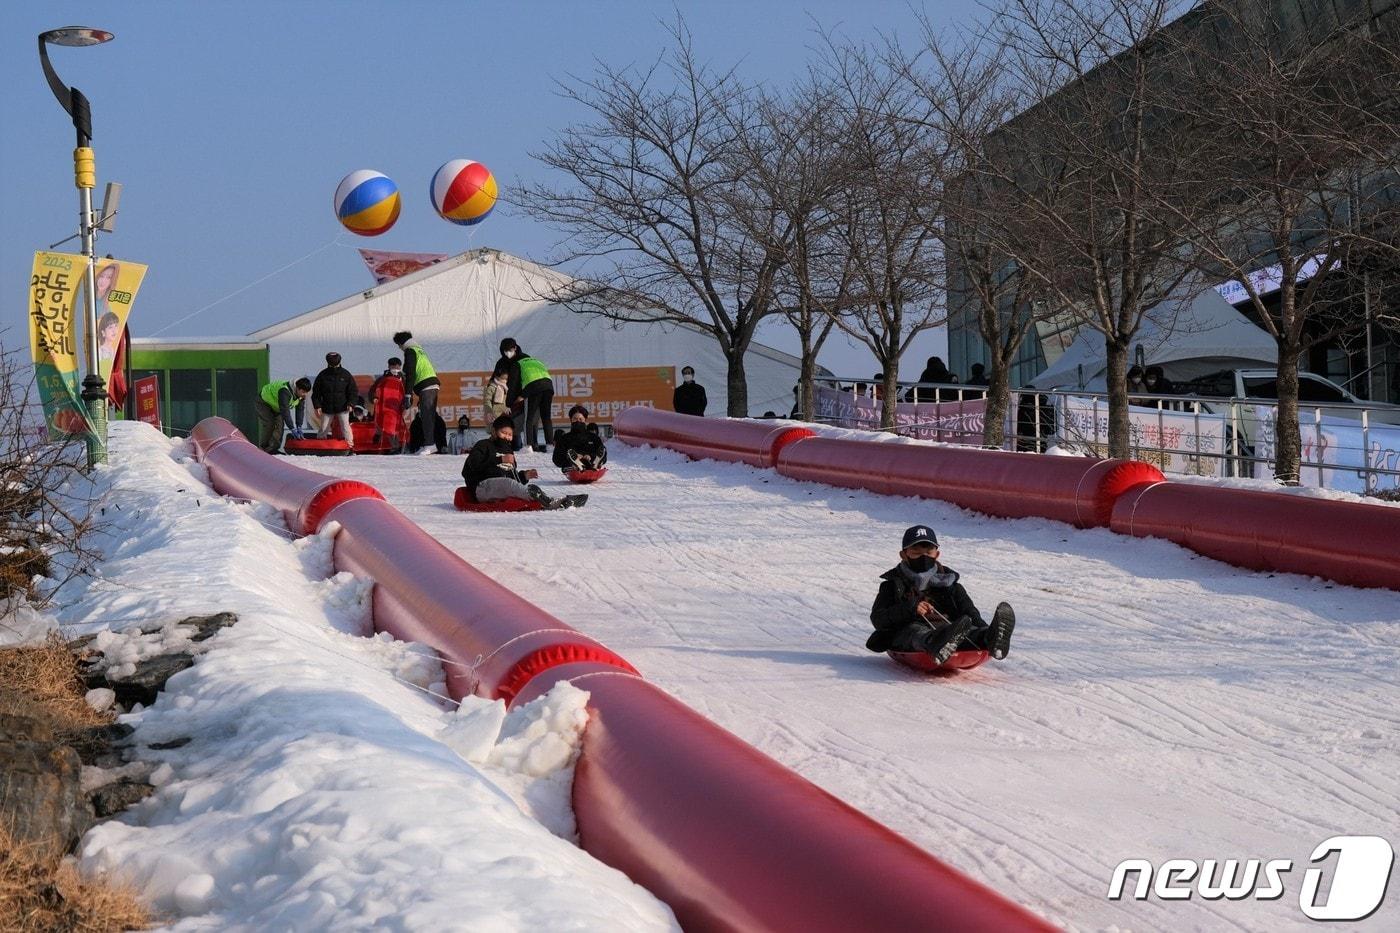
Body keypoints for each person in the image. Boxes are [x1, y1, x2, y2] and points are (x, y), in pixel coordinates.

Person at [866, 525, 1016, 666]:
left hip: (951, 632)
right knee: (915, 631)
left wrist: (984, 629)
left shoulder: (950, 585)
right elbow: (878, 619)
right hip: (907, 635)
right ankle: (936, 643)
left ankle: (989, 638)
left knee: (965, 629)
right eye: (916, 553)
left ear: (936, 555)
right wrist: (911, 608)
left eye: (928, 553)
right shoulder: (893, 585)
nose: (923, 557)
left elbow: (969, 612)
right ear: (904, 555)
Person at [462, 415, 585, 510]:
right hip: (482, 488)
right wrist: (500, 459)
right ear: (494, 432)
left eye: (509, 435)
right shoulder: (483, 445)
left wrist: (524, 476)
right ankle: (548, 502)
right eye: (503, 433)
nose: (507, 437)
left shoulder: (508, 450)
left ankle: (558, 502)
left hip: (503, 487)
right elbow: (471, 466)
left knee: (511, 485)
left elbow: (512, 477)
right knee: (507, 483)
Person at [499, 338, 555, 453]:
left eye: (508, 350)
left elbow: (512, 385)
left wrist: (509, 403)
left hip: (533, 388)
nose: (507, 353)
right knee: (546, 418)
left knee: (528, 418)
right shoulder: (535, 360)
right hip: (548, 386)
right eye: (505, 351)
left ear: (515, 348)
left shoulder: (517, 364)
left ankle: (527, 446)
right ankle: (550, 445)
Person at [393, 331, 444, 453]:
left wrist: (408, 394)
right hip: (429, 384)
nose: (399, 348)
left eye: (398, 345)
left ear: (402, 343)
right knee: (426, 415)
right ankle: (428, 443)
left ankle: (430, 445)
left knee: (427, 415)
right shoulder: (418, 349)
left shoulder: (410, 351)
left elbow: (410, 373)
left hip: (427, 384)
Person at [312, 351, 358, 449]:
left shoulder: (346, 374)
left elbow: (353, 391)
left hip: (343, 407)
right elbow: (316, 393)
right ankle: (320, 447)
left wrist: (351, 403)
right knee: (323, 428)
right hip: (327, 407)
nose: (333, 364)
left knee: (345, 427)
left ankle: (350, 447)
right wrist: (317, 406)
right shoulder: (322, 375)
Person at [256, 377, 312, 453]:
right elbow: (285, 411)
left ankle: (273, 449)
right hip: (264, 402)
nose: (304, 394)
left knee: (280, 426)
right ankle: (263, 448)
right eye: (303, 392)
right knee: (270, 424)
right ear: (297, 388)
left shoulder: (301, 396)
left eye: (306, 392)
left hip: (276, 406)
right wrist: (292, 428)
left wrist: (299, 426)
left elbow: (300, 410)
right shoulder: (285, 391)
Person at [552, 405, 609, 474]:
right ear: (571, 420)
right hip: (571, 467)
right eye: (575, 419)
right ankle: (576, 464)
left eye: (580, 419)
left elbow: (603, 454)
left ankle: (595, 464)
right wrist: (574, 457)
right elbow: (556, 459)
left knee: (601, 450)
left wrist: (590, 456)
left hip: (590, 463)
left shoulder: (593, 437)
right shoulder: (564, 438)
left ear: (585, 420)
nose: (578, 421)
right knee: (570, 459)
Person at [370, 358, 407, 453]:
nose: (395, 368)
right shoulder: (382, 378)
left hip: (397, 408)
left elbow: (408, 393)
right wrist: (374, 397)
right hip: (384, 407)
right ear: (389, 366)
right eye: (393, 366)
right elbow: (373, 390)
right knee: (389, 426)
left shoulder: (404, 379)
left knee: (395, 427)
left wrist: (407, 404)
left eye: (397, 366)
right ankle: (394, 446)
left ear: (400, 366)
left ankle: (395, 445)